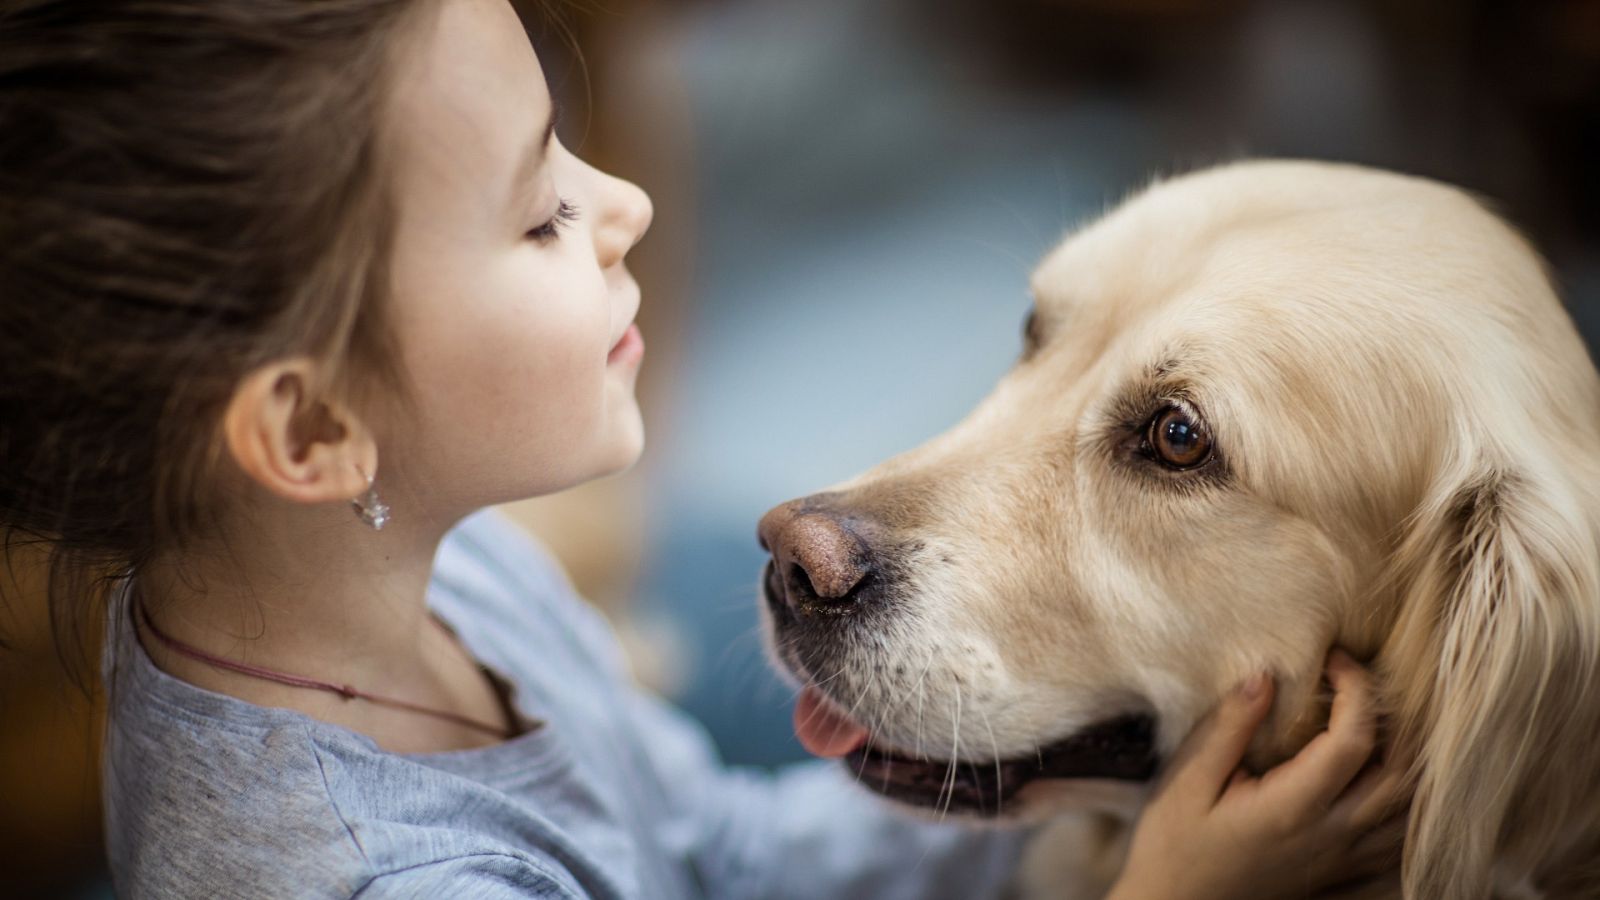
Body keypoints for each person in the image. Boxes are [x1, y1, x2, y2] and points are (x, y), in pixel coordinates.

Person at [0, 0, 1407, 897]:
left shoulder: (420, 565)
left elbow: (702, 851)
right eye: (537, 214)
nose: (623, 204)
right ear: (312, 431)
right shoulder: (378, 878)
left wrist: (1057, 820)